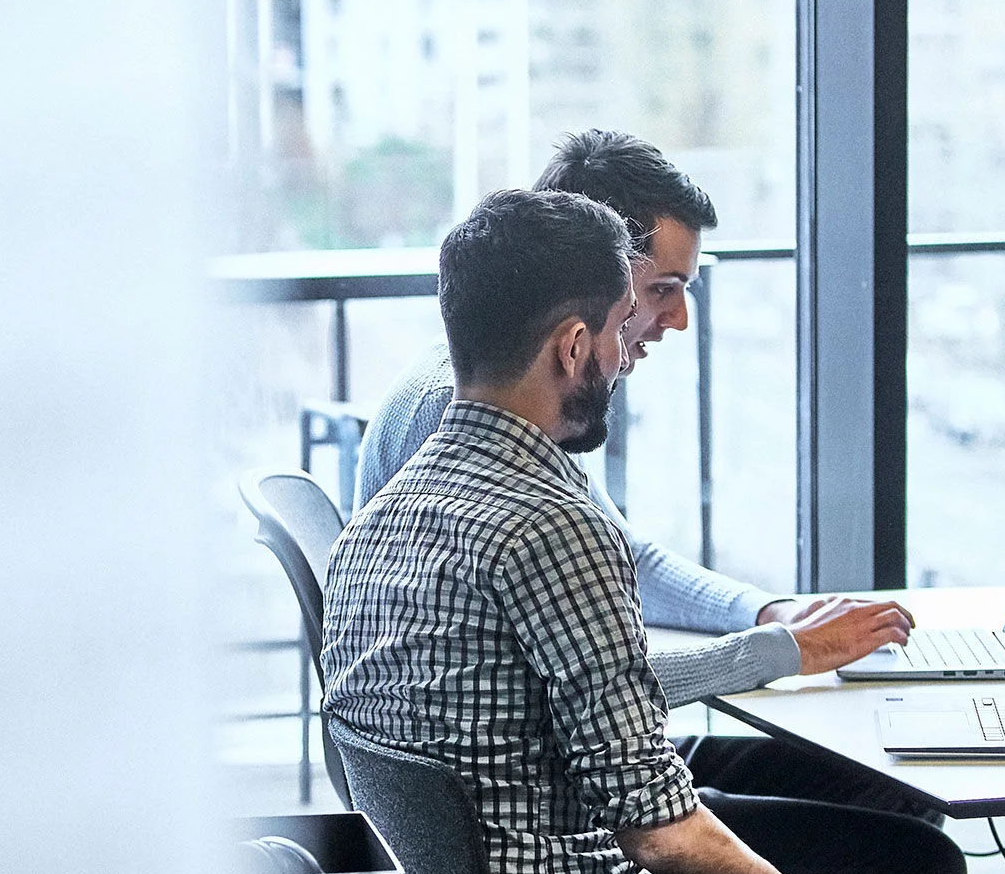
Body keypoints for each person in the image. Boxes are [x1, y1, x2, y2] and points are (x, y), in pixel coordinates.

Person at [322, 188, 1005, 874]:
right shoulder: (552, 522)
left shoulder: (384, 514)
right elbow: (658, 835)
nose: (628, 350)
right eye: (618, 329)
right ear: (570, 345)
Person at [355, 130, 936, 821]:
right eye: (661, 290)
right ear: (593, 268)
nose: (676, 318)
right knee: (901, 837)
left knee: (880, 794)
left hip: (559, 769)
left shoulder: (509, 381)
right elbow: (592, 690)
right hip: (541, 812)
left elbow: (627, 561)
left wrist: (764, 612)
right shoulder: (462, 415)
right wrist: (776, 650)